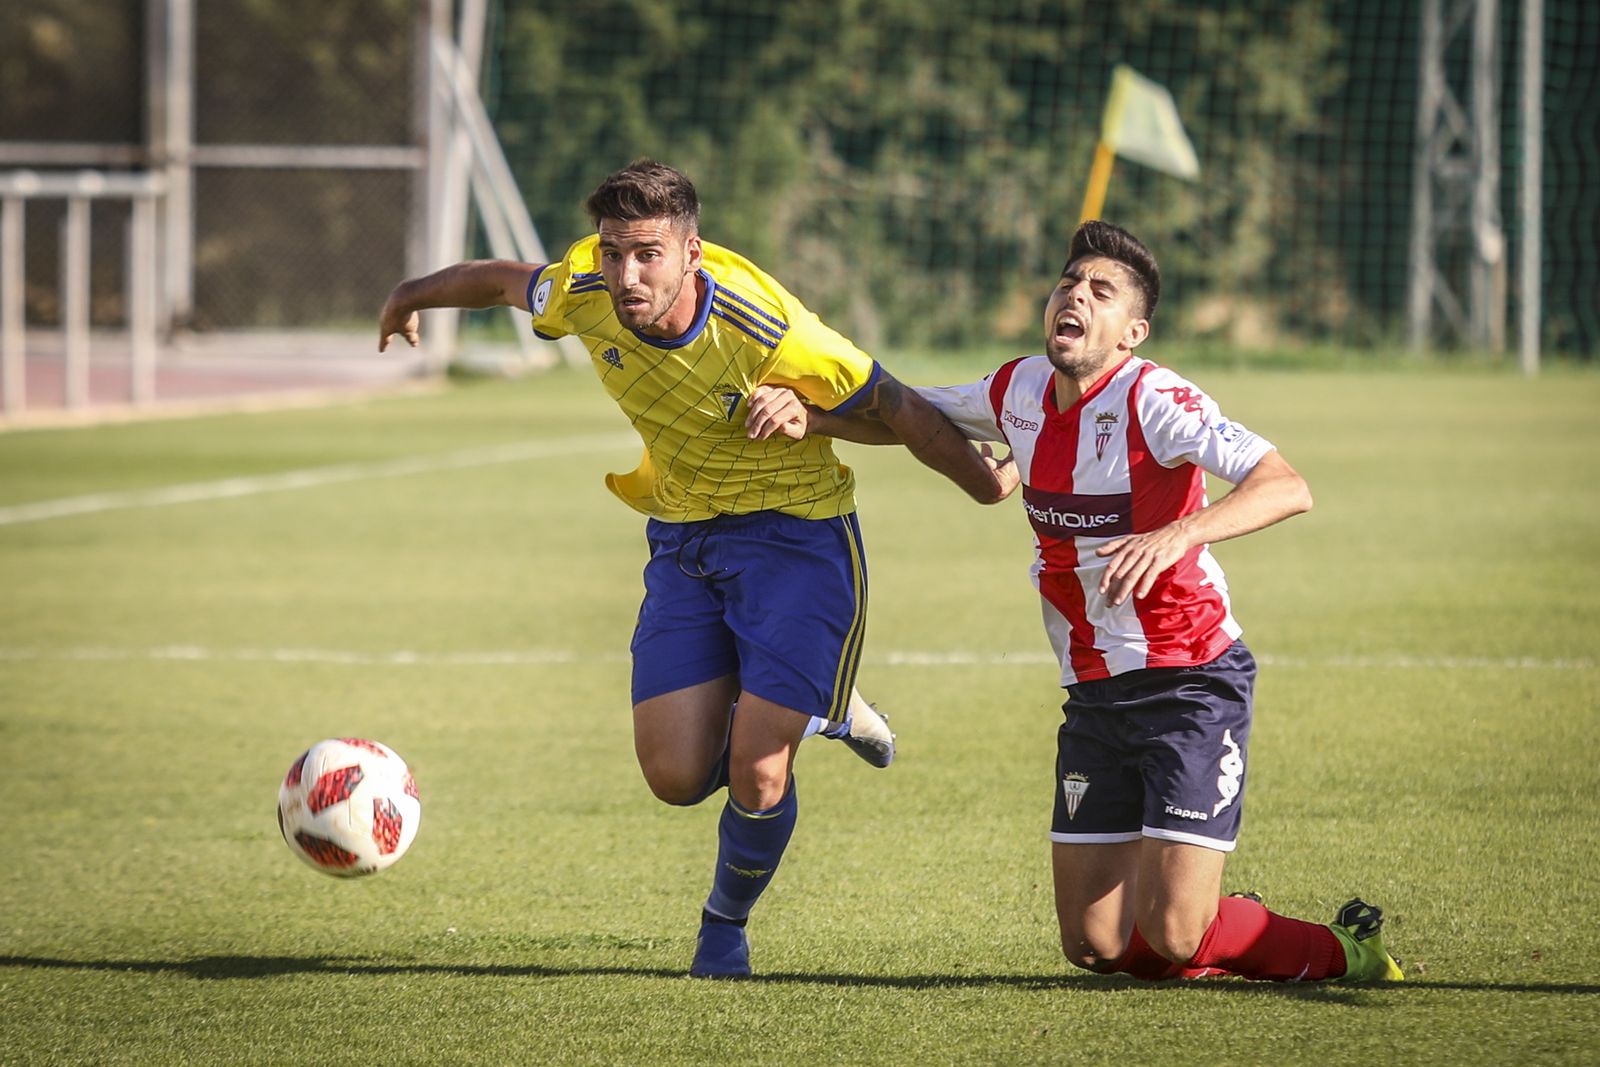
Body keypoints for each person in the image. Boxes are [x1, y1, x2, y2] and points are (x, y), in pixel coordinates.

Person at [377, 159, 1013, 978]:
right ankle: (819, 702)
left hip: (799, 539)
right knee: (675, 776)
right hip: (684, 538)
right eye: (613, 252)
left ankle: (724, 923)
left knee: (755, 765)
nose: (625, 274)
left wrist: (961, 475)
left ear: (691, 251)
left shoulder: (770, 328)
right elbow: (503, 281)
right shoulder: (583, 289)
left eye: (646, 254)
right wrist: (411, 293)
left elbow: (898, 411)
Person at [753, 220, 1403, 983]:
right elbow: (910, 414)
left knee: (1173, 931)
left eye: (1101, 290)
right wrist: (815, 416)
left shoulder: (1156, 399)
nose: (1076, 295)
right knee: (1096, 946)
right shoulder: (1018, 388)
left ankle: (1343, 948)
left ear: (1133, 331)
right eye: (1069, 282)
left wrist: (1179, 533)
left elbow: (1287, 485)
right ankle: (1203, 929)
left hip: (1191, 681)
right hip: (1093, 693)